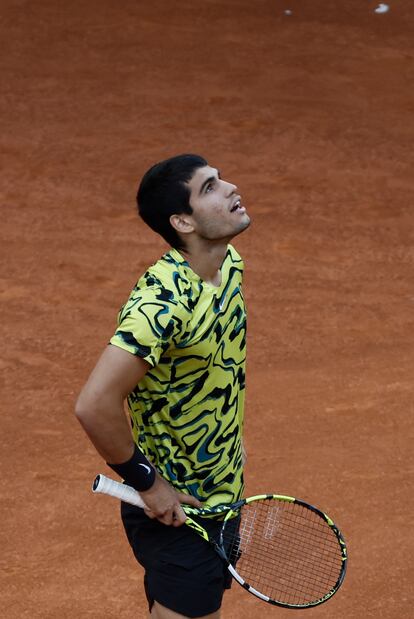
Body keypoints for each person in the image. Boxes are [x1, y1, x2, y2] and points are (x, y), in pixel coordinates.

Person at [75, 154, 251, 619]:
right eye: (210, 187)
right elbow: (94, 405)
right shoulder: (159, 306)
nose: (231, 187)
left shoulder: (227, 263)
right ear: (182, 221)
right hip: (178, 511)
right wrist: (149, 484)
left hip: (221, 494)